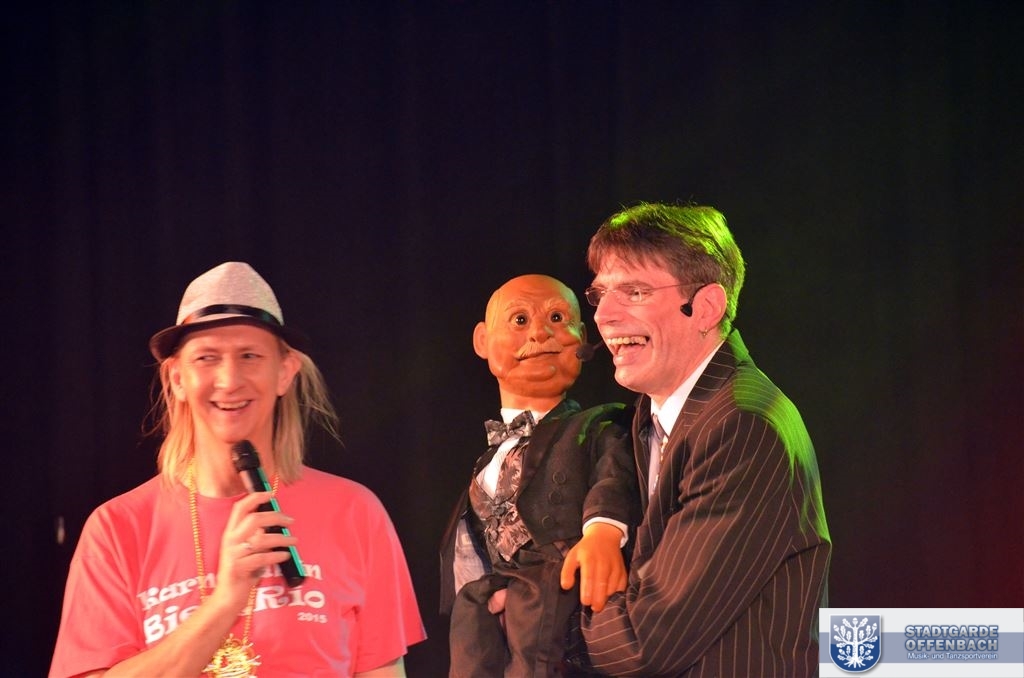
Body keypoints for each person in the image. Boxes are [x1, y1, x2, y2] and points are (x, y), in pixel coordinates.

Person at [50, 261, 425, 678]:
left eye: (250, 356)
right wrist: (226, 599)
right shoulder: (117, 528)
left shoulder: (354, 512)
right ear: (177, 378)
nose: (229, 380)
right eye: (206, 358)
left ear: (284, 372)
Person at [560, 203, 831, 677]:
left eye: (635, 292)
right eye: (600, 294)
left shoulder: (743, 426)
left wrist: (536, 611)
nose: (603, 315)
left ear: (705, 307)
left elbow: (645, 643)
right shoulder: (656, 412)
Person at [440, 274, 640, 677]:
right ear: (483, 341)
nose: (540, 333)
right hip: (498, 600)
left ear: (582, 337)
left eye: (557, 318)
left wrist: (602, 533)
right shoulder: (485, 462)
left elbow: (614, 476)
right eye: (520, 320)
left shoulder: (598, 426)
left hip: (560, 596)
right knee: (469, 634)